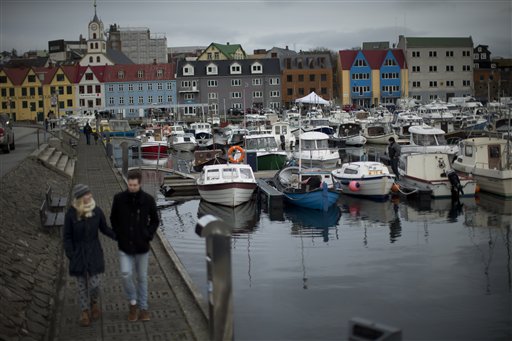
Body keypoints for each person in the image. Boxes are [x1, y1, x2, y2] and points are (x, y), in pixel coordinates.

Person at [63, 184, 116, 327]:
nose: (90, 195)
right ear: (80, 198)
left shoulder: (97, 211)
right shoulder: (71, 214)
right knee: (81, 285)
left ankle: (93, 302)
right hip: (78, 253)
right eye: (86, 194)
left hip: (94, 251)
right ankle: (85, 312)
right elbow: (67, 236)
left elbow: (104, 229)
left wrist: (119, 237)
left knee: (95, 284)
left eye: (89, 193)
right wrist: (71, 254)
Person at [110, 170, 159, 322]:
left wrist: (148, 234)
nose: (131, 187)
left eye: (134, 185)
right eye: (129, 185)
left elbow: (155, 220)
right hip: (125, 245)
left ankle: (143, 308)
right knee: (125, 273)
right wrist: (118, 234)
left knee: (142, 278)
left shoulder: (148, 200)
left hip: (142, 245)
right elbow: (113, 218)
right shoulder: (119, 199)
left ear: (140, 184)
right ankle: (133, 302)